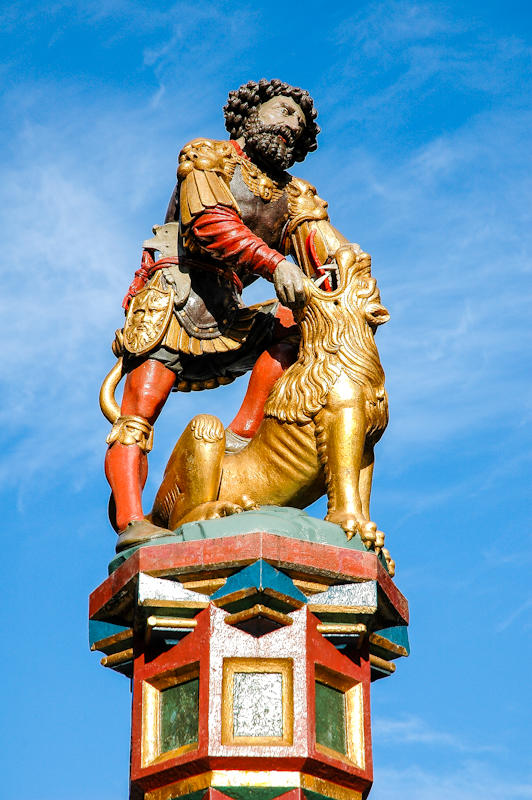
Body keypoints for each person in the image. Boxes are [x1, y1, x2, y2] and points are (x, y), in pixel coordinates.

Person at [105, 78, 351, 551]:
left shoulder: (293, 194)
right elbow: (210, 225)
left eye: (299, 123)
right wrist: (278, 262)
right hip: (174, 298)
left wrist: (346, 281)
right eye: (283, 112)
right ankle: (132, 520)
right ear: (251, 113)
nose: (291, 126)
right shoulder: (207, 156)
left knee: (296, 321)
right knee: (141, 408)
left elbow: (322, 248)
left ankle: (243, 431)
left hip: (228, 311)